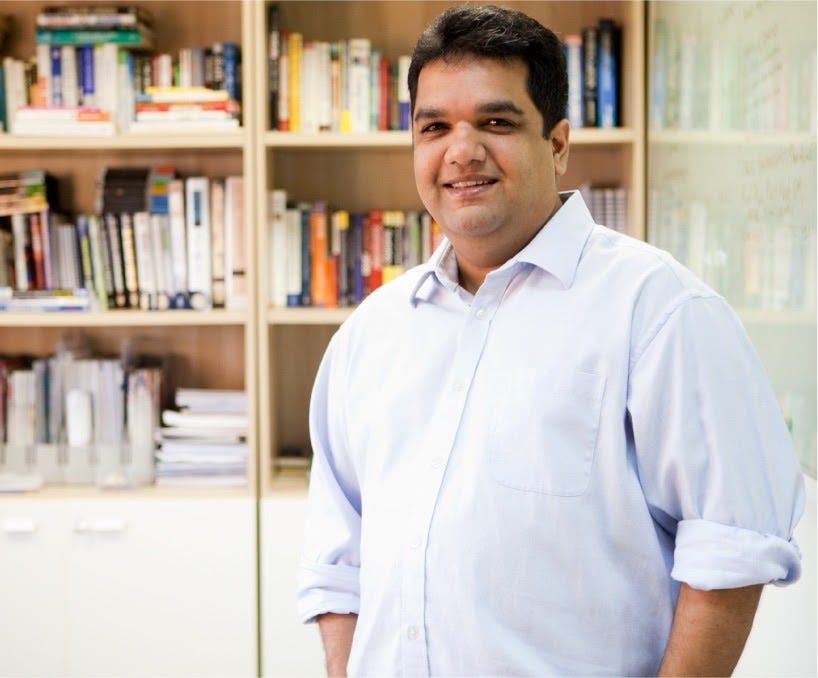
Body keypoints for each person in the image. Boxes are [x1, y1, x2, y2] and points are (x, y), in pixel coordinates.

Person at [297, 5, 805, 676]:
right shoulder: (372, 334)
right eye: (435, 127)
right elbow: (340, 564)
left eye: (496, 122)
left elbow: (730, 552)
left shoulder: (658, 310)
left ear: (559, 143)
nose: (462, 151)